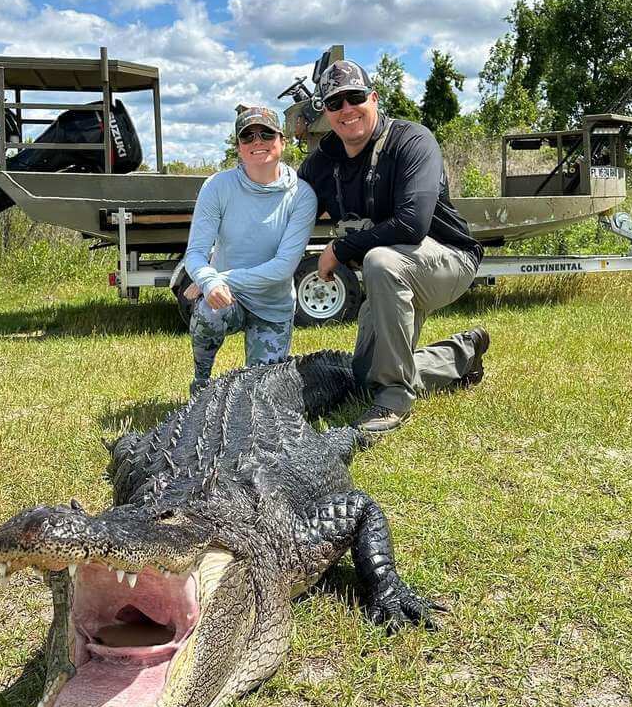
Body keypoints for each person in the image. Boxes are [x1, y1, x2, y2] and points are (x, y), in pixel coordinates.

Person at [298, 59, 489, 435]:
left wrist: (339, 249)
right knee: (364, 376)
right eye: (335, 103)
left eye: (355, 97)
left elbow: (412, 224)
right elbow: (286, 213)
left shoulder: (412, 141)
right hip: (390, 272)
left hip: (449, 258)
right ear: (326, 112)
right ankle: (460, 354)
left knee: (380, 260)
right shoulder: (322, 162)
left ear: (373, 98)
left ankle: (395, 398)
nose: (346, 109)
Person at [183, 106, 317, 394]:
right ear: (239, 147)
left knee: (260, 393)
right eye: (248, 136)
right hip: (228, 300)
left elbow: (283, 267)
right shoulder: (217, 186)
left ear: (282, 141)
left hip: (273, 306)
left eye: (267, 134)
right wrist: (210, 283)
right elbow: (195, 253)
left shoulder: (302, 195)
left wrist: (218, 278)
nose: (258, 142)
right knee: (208, 310)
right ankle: (200, 383)